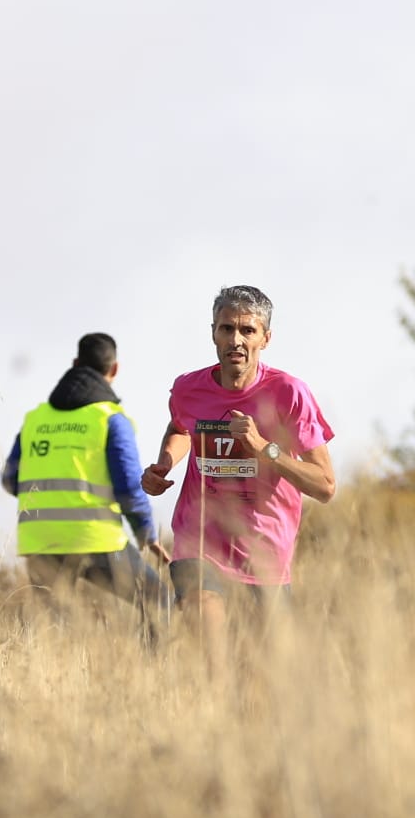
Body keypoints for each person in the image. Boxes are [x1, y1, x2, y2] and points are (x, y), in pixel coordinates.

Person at [140, 285, 335, 677]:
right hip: (200, 537)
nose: (236, 340)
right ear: (213, 331)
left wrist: (265, 448)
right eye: (227, 328)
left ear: (266, 338)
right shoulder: (188, 389)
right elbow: (181, 427)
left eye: (248, 330)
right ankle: (214, 699)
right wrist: (165, 462)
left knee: (264, 679)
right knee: (213, 651)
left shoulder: (289, 394)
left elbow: (325, 485)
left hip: (265, 553)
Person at [1, 332, 167, 636]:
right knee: (159, 602)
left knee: (53, 631)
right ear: (114, 369)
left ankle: (55, 683)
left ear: (76, 364)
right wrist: (146, 534)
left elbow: (10, 479)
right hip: (96, 540)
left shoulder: (36, 419)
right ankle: (149, 677)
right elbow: (129, 488)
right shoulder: (111, 419)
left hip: (40, 542)